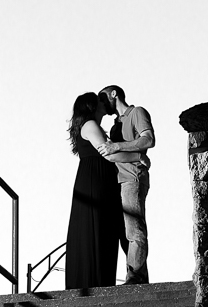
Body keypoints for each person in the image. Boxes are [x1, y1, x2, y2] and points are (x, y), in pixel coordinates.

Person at [96, 85, 155, 285]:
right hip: (118, 182)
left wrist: (117, 145)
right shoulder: (115, 126)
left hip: (133, 178)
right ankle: (140, 278)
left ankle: (135, 277)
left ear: (114, 94)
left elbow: (148, 139)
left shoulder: (137, 112)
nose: (102, 103)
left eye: (103, 98)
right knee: (126, 234)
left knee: (134, 230)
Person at [64, 92, 123, 289]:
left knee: (103, 228)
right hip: (94, 181)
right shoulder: (90, 125)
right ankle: (94, 282)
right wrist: (137, 156)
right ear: (91, 106)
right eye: (99, 101)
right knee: (96, 228)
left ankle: (100, 280)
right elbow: (107, 151)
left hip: (98, 179)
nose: (103, 103)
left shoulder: (92, 125)